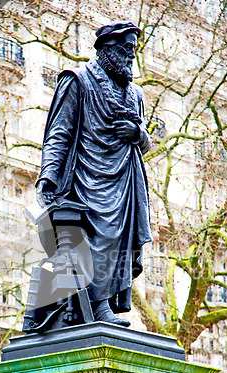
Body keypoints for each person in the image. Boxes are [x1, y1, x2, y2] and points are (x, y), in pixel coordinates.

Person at [35, 21, 152, 327]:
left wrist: (137, 133)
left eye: (134, 51)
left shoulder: (135, 92)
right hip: (87, 178)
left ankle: (105, 305)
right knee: (93, 241)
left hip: (125, 180)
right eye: (126, 50)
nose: (131, 57)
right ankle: (96, 307)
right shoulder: (78, 80)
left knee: (120, 244)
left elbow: (147, 141)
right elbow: (59, 134)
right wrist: (49, 175)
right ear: (107, 49)